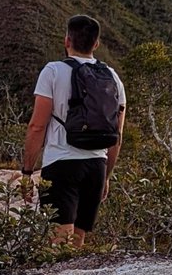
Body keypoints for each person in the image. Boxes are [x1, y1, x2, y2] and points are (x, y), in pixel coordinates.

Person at [20, 14, 126, 247]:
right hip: (96, 166)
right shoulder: (113, 77)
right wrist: (106, 176)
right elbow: (117, 136)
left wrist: (27, 172)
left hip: (62, 164)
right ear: (96, 44)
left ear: (67, 40)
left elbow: (37, 126)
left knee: (58, 243)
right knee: (78, 243)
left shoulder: (53, 71)